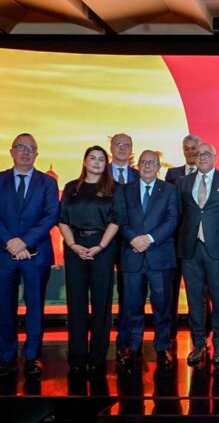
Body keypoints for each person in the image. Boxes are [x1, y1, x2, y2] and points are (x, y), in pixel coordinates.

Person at [59, 146, 124, 375]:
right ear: (85, 161)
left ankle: (97, 357)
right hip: (74, 247)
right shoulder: (71, 188)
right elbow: (62, 220)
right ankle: (77, 357)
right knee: (76, 303)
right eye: (92, 158)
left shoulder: (114, 189)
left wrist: (100, 246)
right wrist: (73, 245)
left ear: (106, 164)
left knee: (101, 304)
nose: (97, 162)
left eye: (101, 159)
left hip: (103, 248)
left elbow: (116, 221)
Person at [0, 133, 58, 376]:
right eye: (21, 147)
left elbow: (51, 215)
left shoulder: (47, 183)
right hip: (4, 254)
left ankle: (33, 357)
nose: (25, 152)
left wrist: (24, 242)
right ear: (12, 151)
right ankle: (6, 357)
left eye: (31, 148)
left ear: (37, 154)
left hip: (36, 255)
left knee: (35, 307)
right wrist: (10, 242)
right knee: (4, 307)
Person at [119, 150, 179, 369]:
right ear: (138, 166)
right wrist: (133, 239)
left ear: (158, 167)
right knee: (132, 307)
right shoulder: (125, 190)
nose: (147, 166)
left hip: (160, 257)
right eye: (143, 162)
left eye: (152, 162)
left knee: (162, 307)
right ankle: (133, 347)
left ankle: (162, 347)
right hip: (132, 255)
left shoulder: (169, 190)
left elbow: (172, 219)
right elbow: (120, 219)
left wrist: (149, 238)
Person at [176, 143, 219, 367]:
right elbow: (178, 214)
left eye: (207, 154)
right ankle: (198, 344)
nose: (202, 157)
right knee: (194, 300)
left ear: (215, 157)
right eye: (199, 154)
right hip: (190, 249)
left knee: (218, 299)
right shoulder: (183, 183)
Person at [164, 134, 202, 345]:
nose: (190, 152)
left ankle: (202, 337)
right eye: (186, 148)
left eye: (194, 148)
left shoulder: (210, 174)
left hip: (202, 243)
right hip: (176, 242)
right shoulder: (172, 174)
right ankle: (170, 335)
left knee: (201, 293)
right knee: (171, 291)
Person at [110, 133, 139, 359]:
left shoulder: (139, 176)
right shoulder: (98, 173)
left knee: (128, 293)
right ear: (111, 148)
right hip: (103, 243)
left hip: (131, 243)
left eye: (126, 145)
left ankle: (125, 342)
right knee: (102, 293)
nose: (122, 148)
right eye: (118, 144)